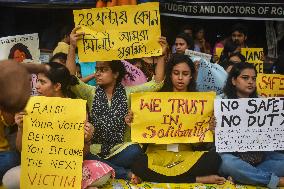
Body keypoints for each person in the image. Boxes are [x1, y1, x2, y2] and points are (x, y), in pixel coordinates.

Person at [65, 26, 167, 182]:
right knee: (81, 154)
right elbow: (71, 80)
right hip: (95, 149)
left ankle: (103, 168)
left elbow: (157, 84)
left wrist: (161, 55)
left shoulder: (128, 93)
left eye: (103, 69)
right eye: (97, 69)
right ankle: (123, 173)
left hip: (121, 149)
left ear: (115, 74)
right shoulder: (91, 92)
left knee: (135, 152)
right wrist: (72, 47)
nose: (97, 73)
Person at [128, 54, 226, 185]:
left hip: (186, 155)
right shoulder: (155, 99)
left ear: (191, 76)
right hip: (158, 154)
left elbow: (198, 144)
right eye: (176, 73)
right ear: (170, 75)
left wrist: (209, 129)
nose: (180, 78)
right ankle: (196, 179)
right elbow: (143, 136)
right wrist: (134, 122)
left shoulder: (199, 103)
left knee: (215, 160)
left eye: (185, 74)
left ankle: (157, 177)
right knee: (137, 163)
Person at [2, 62, 95, 189]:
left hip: (66, 170)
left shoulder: (76, 110)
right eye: (37, 81)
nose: (37, 86)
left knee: (96, 174)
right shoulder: (30, 107)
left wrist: (87, 138)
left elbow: (83, 154)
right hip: (39, 168)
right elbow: (21, 149)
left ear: (57, 86)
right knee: (9, 179)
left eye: (42, 82)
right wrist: (21, 128)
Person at [218, 62, 284, 188]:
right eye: (245, 78)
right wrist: (213, 128)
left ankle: (243, 177)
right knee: (227, 163)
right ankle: (272, 181)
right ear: (233, 80)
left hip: (261, 160)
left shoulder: (263, 104)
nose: (250, 82)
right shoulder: (220, 102)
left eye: (253, 79)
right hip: (233, 158)